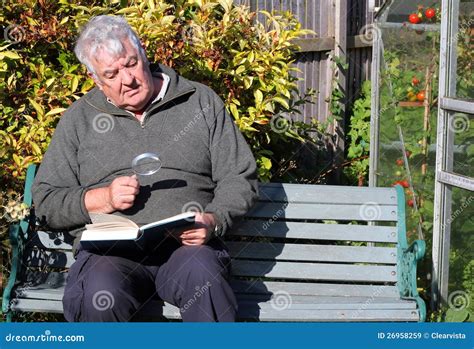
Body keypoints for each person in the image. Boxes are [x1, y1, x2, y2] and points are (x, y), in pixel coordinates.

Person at [32, 15, 258, 322]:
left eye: (130, 63)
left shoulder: (199, 101)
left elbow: (239, 177)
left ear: (144, 54)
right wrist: (103, 199)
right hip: (109, 256)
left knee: (203, 278)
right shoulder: (79, 120)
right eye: (111, 74)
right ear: (97, 81)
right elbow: (46, 202)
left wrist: (213, 219)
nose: (127, 79)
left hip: (186, 249)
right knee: (98, 294)